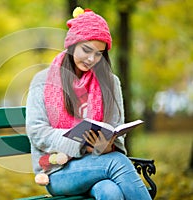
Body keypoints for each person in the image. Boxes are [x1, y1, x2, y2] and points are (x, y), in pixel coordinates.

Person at [26, 7, 151, 200]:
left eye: (99, 53)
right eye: (86, 50)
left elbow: (116, 130)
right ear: (72, 44)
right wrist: (82, 145)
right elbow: (37, 132)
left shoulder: (111, 82)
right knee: (117, 163)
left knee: (111, 192)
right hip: (58, 172)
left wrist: (107, 146)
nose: (92, 59)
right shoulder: (43, 81)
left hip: (99, 163)